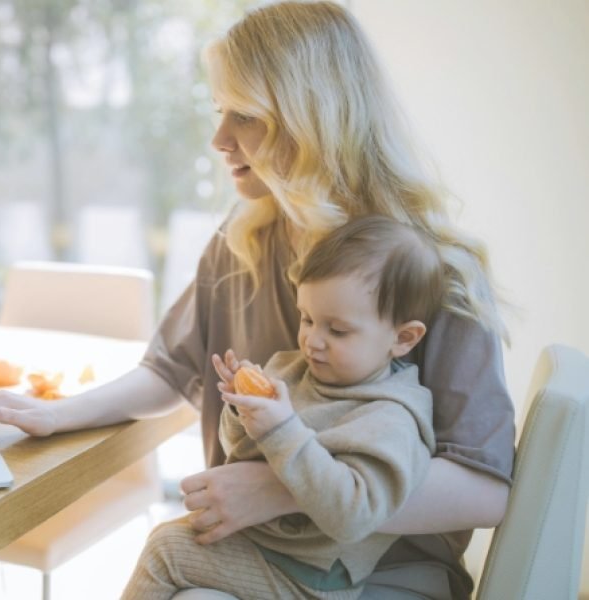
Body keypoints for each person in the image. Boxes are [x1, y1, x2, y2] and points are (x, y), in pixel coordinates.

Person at [0, 2, 515, 598]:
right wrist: (56, 413)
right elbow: (170, 370)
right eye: (219, 112)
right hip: (261, 549)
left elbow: (486, 488)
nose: (219, 139)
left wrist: (283, 487)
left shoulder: (431, 270)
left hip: (385, 573)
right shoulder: (243, 239)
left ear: (313, 119)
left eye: (246, 116)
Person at [121, 215, 443, 599]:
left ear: (403, 338)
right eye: (307, 318)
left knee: (166, 552)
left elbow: (353, 517)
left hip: (312, 577)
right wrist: (243, 412)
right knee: (169, 536)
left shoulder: (391, 417)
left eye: (337, 330)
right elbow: (241, 455)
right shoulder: (294, 369)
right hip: (265, 548)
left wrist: (282, 428)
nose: (313, 341)